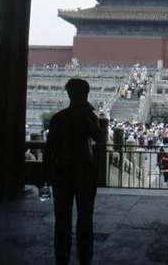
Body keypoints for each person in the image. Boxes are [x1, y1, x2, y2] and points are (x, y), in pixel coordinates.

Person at [42, 79, 104, 265]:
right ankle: (83, 259)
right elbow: (100, 138)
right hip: (80, 171)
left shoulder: (59, 118)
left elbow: (48, 150)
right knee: (80, 218)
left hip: (65, 172)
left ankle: (63, 259)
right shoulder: (79, 117)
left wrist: (46, 175)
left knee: (66, 219)